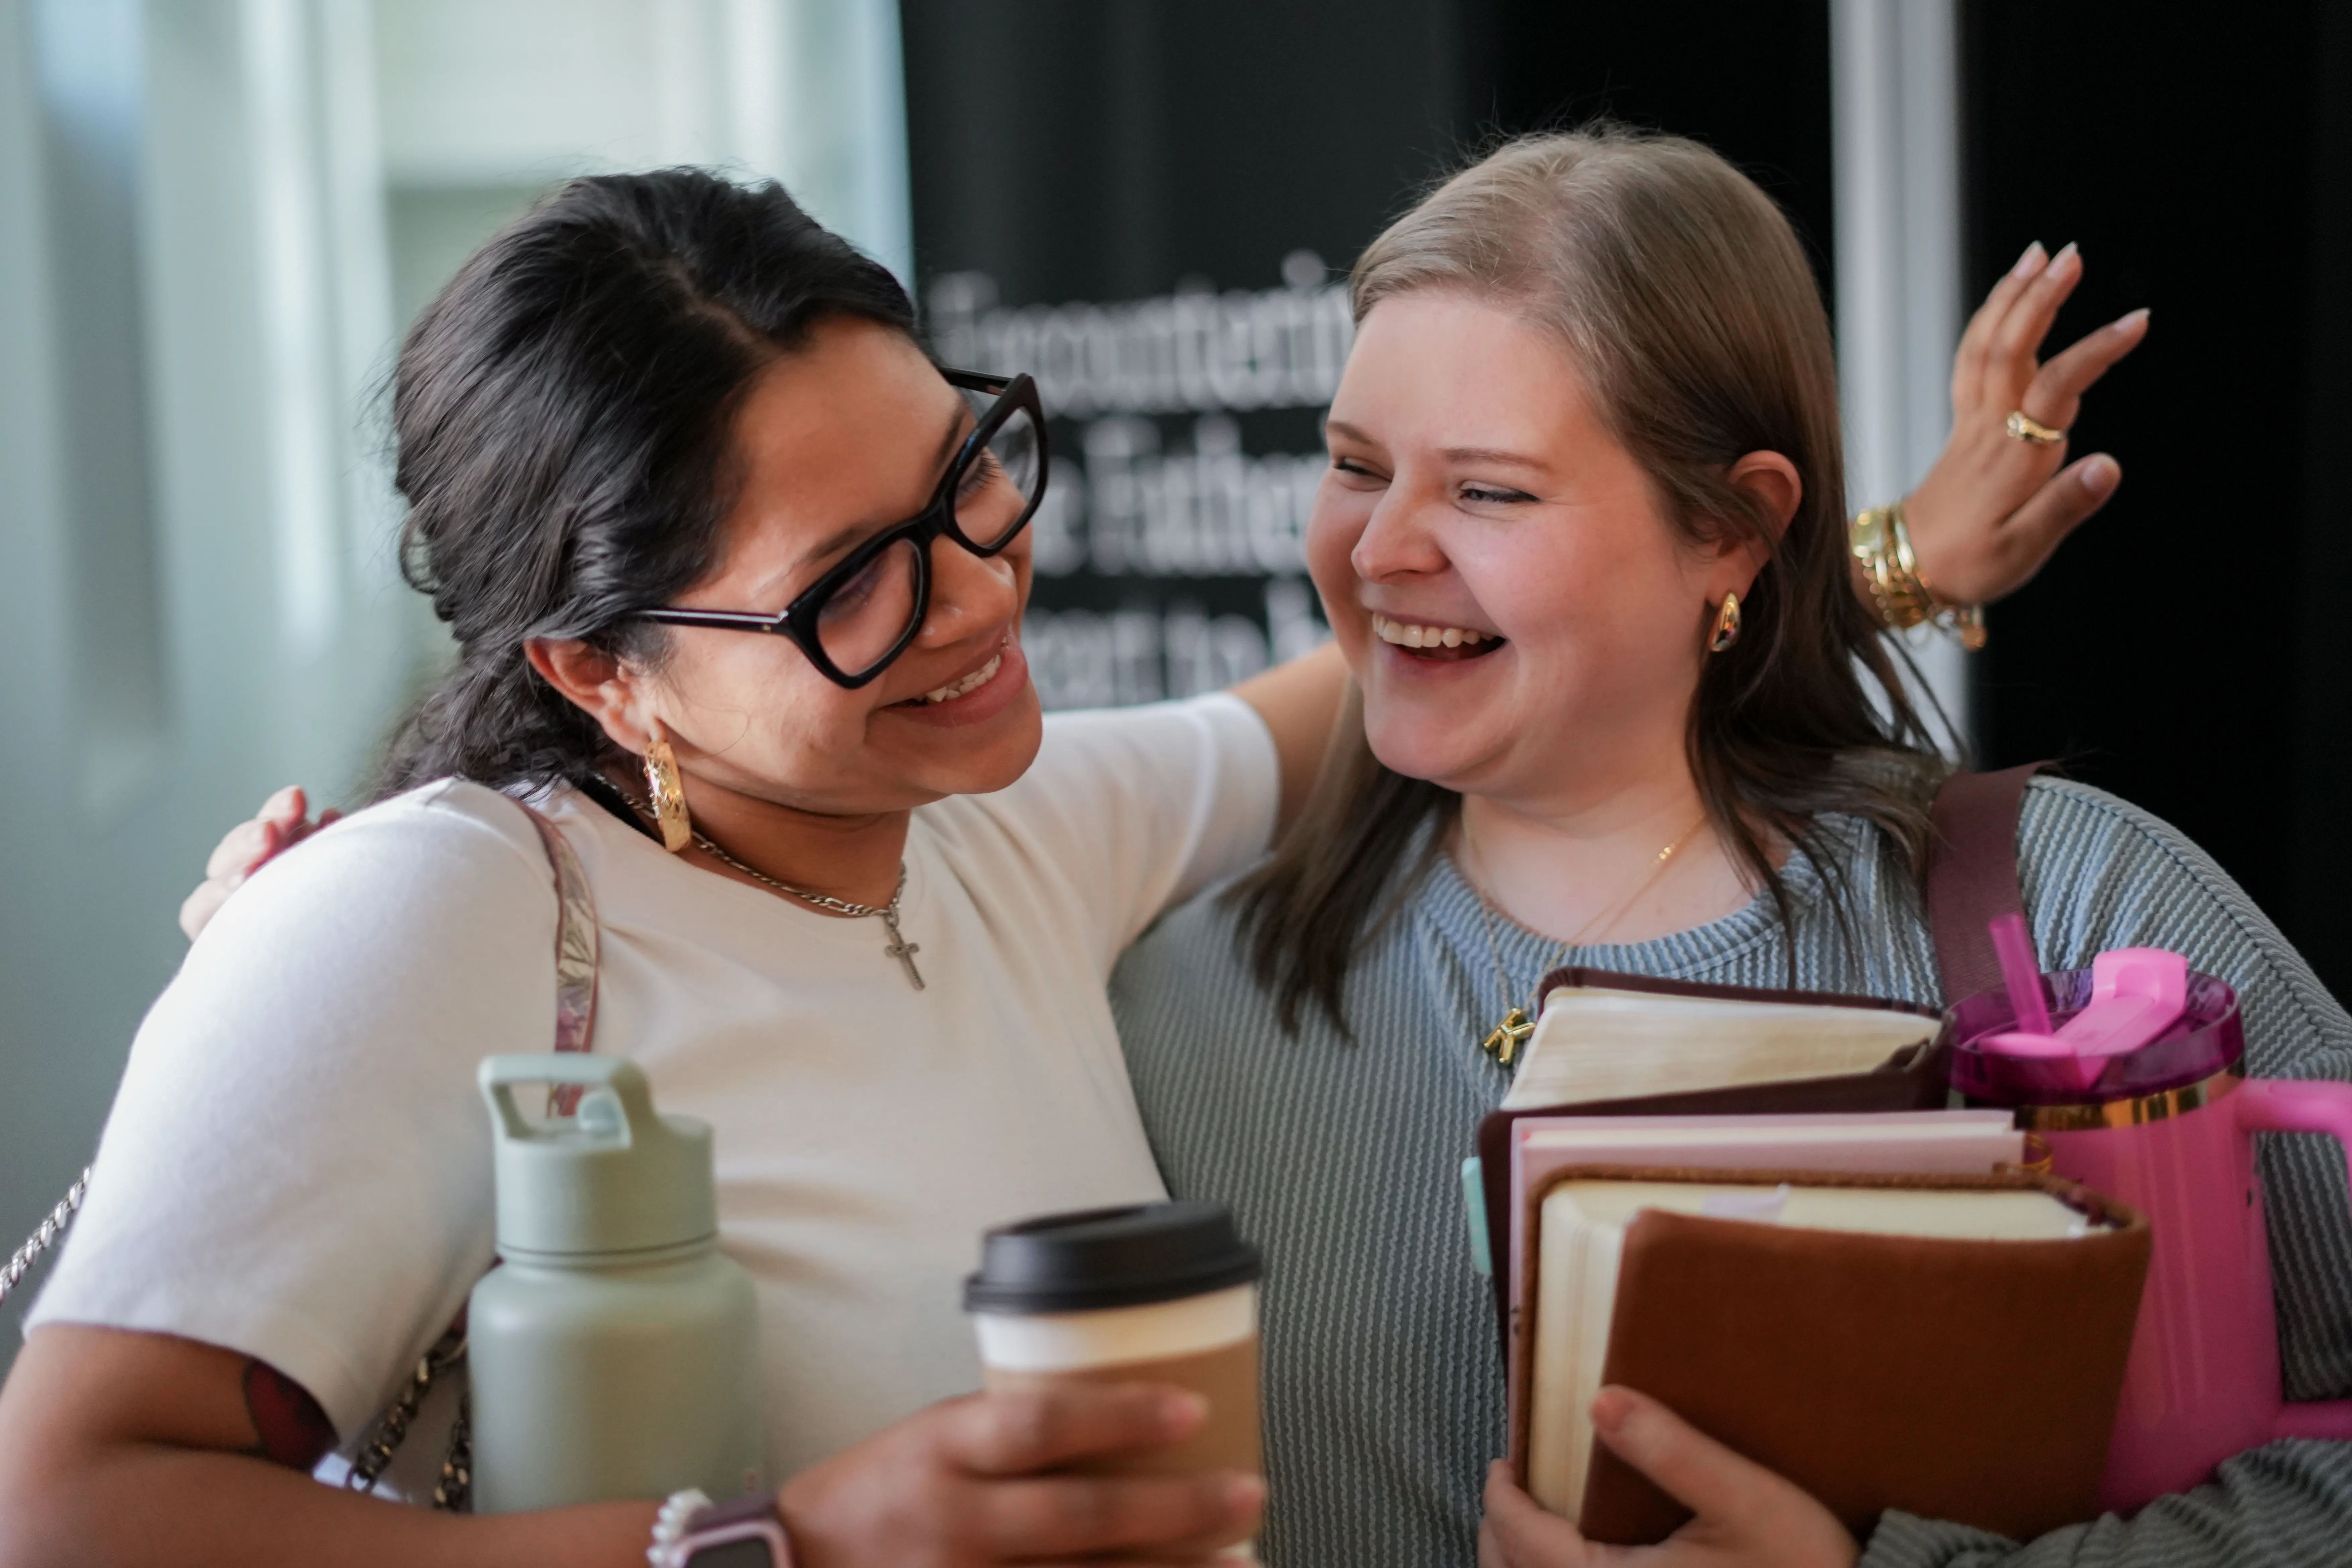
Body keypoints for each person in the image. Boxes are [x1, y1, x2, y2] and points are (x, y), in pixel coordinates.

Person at [75, 141, 2143, 1565]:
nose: (980, 595)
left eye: (969, 471)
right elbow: (71, 1508)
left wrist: (1856, 561)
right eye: (856, 583)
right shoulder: (433, 908)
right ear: (600, 677)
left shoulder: (1007, 826)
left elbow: (1409, 660)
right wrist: (778, 1545)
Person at [1106, 128, 2352, 1568]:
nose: (1378, 550)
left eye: (1488, 490)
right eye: (1352, 463)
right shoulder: (1179, 1002)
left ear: (1738, 531)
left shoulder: (2073, 919)